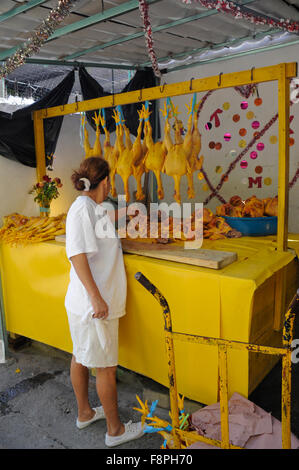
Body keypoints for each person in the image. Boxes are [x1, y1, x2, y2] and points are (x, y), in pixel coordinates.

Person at [64, 156, 144, 447]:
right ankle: (115, 431)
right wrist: (97, 298)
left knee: (81, 356)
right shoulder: (82, 210)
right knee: (106, 368)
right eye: (109, 179)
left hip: (85, 303)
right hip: (94, 305)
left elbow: (100, 241)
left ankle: (85, 413)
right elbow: (77, 255)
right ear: (105, 181)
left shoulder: (91, 208)